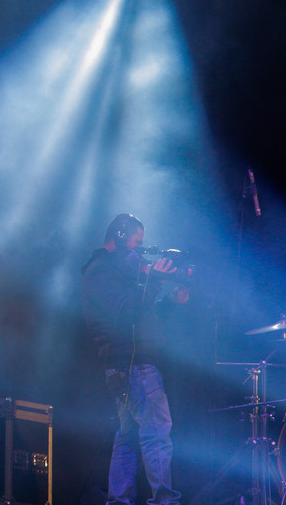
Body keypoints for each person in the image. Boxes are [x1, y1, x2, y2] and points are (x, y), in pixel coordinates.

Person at [80, 214, 188, 505]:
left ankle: (119, 500)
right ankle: (165, 501)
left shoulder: (113, 271)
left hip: (128, 366)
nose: (139, 253)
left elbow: (139, 318)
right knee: (156, 435)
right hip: (132, 366)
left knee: (128, 439)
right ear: (118, 236)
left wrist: (169, 302)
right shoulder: (100, 270)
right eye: (136, 244)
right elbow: (124, 314)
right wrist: (153, 282)